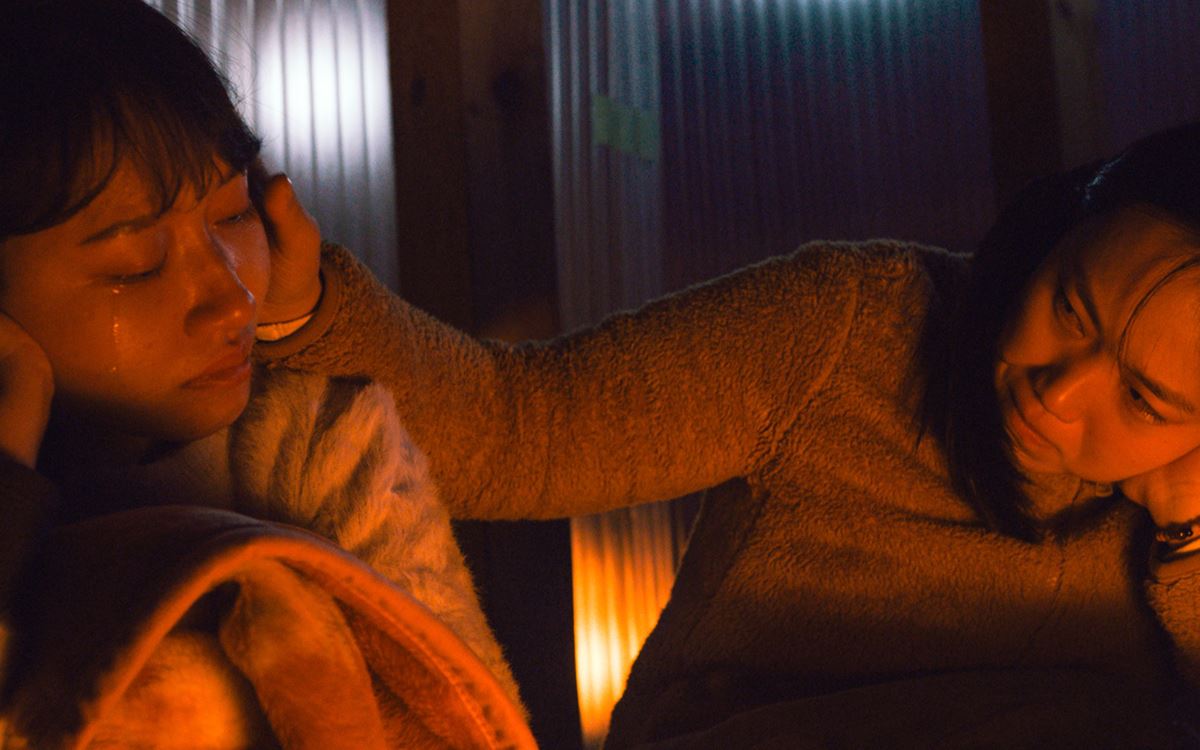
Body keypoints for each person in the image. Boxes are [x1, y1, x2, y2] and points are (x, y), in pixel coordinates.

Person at [259, 121, 1200, 746]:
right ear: (1054, 236)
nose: (1060, 393)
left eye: (1144, 399)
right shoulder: (853, 329)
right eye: (1069, 307)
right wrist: (308, 309)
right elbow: (522, 427)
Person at [0, 0, 523, 743]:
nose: (233, 297)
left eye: (235, 215)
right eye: (134, 265)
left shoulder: (313, 451)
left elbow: (461, 723)